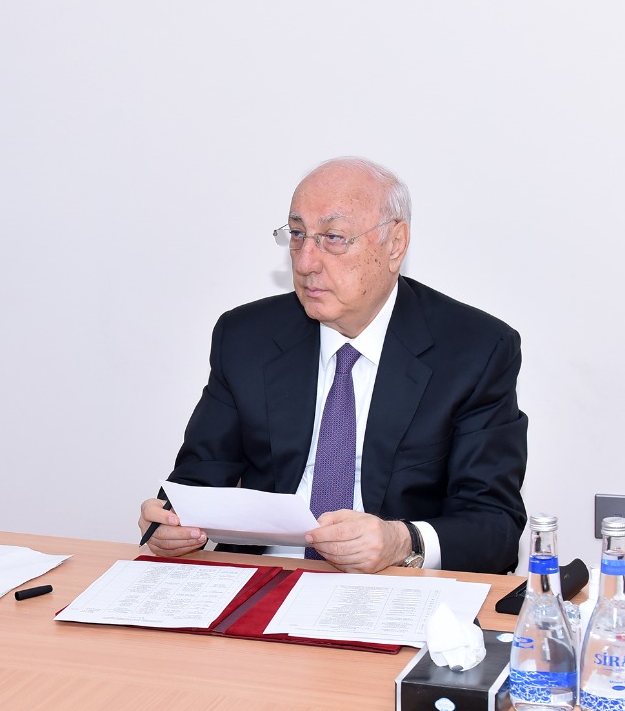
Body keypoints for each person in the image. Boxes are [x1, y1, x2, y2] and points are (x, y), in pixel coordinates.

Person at [140, 156, 527, 574]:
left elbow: (495, 526)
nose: (305, 262)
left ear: (395, 244)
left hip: (396, 583)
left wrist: (403, 541)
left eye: (334, 238)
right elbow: (198, 478)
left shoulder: (475, 349)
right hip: (265, 578)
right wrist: (168, 520)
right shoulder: (246, 337)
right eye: (297, 234)